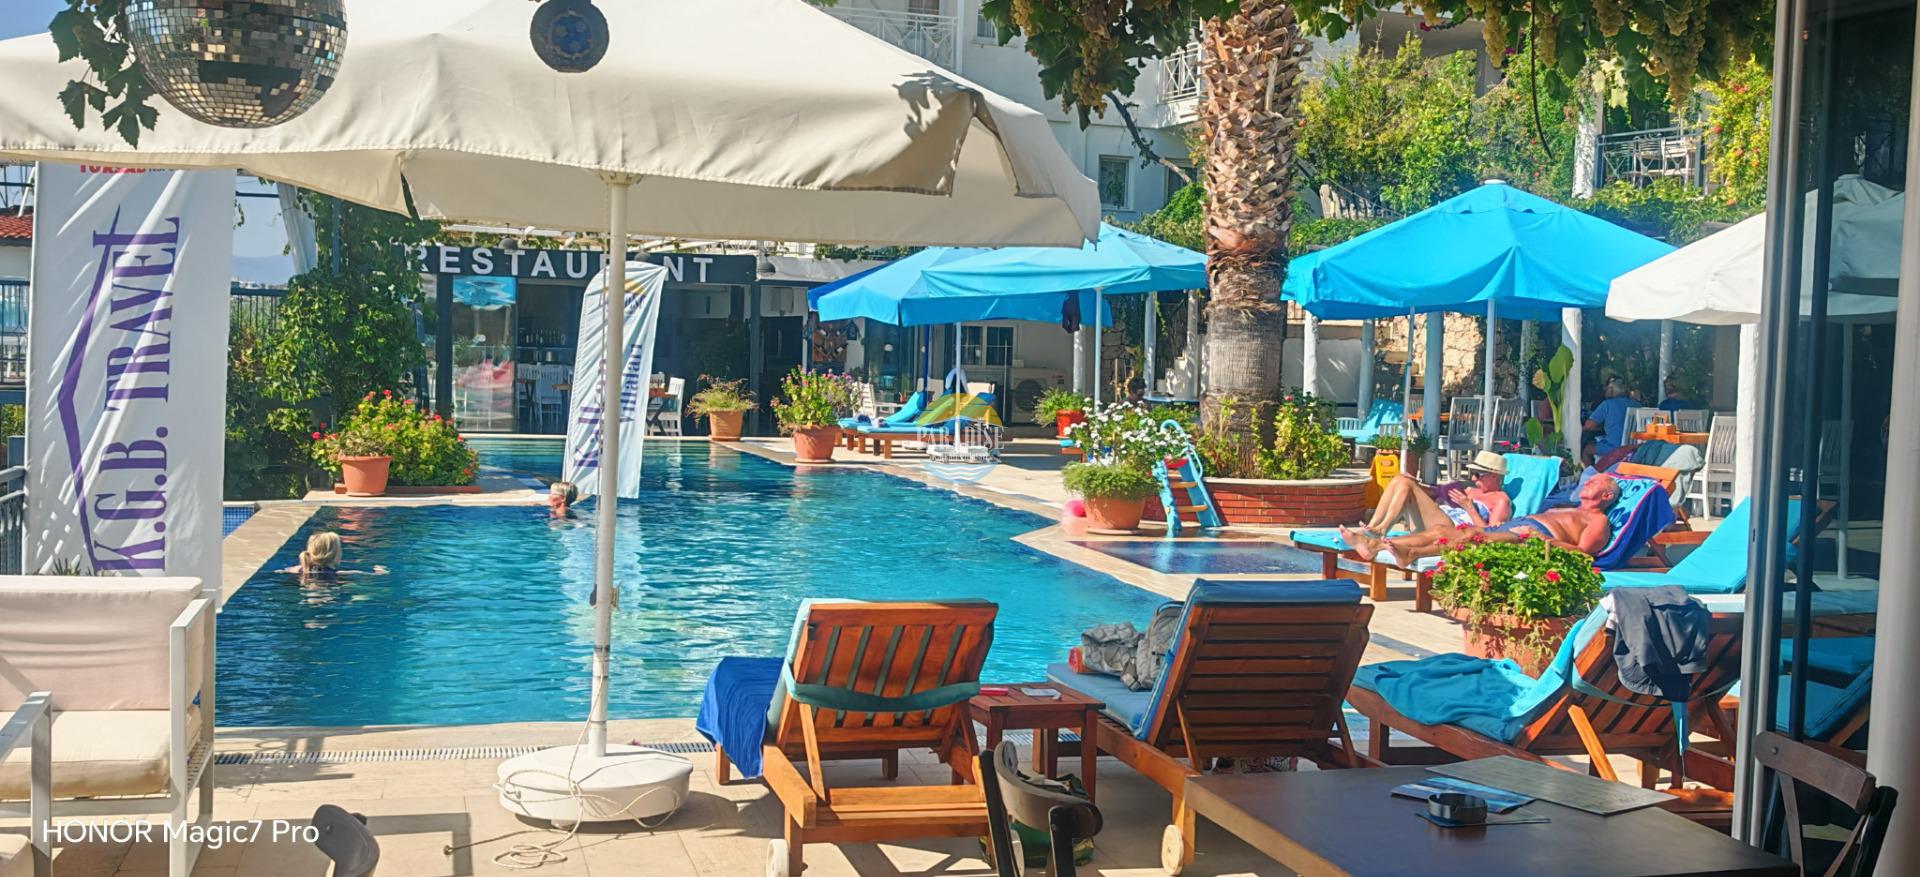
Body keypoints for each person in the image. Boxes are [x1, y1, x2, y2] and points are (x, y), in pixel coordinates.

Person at [1349, 474, 1622, 567]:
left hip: (1530, 536)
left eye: (1596, 482)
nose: (1588, 482)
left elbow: (1585, 554)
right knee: (1451, 530)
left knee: (1470, 536)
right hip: (1514, 529)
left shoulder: (1598, 521)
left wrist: (1544, 539)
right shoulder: (1567, 507)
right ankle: (1388, 546)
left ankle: (1391, 548)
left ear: (1607, 495)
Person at [1341, 450, 1512, 552]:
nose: (1473, 479)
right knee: (1401, 479)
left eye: (1478, 475)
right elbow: (1434, 492)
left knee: (1406, 484)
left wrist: (1469, 508)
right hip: (1435, 520)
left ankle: (1380, 531)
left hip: (1450, 530)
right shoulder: (1470, 490)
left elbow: (1490, 534)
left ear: (1494, 476)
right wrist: (1418, 484)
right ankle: (1374, 528)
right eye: (1472, 474)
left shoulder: (1500, 500)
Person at [1583, 378, 1640, 461]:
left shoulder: (1607, 404)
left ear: (1612, 390)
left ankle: (1592, 470)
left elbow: (1588, 426)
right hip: (1632, 448)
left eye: (1608, 388)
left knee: (1586, 450)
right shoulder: (1637, 405)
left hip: (1613, 448)